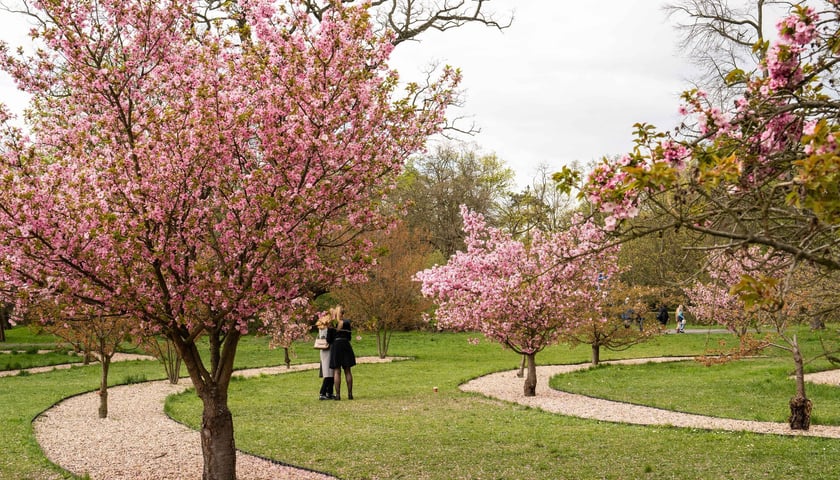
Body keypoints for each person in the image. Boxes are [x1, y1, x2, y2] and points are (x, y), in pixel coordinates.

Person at [330, 308, 357, 401]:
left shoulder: (332, 324)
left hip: (336, 346)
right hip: (345, 345)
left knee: (337, 371)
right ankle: (350, 394)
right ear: (342, 314)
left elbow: (329, 339)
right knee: (348, 371)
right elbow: (349, 336)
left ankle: (337, 395)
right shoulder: (347, 323)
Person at [316, 313, 336, 400]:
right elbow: (328, 339)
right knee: (328, 373)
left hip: (325, 352)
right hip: (327, 351)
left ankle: (329, 392)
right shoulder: (326, 329)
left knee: (330, 373)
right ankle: (323, 392)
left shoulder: (321, 329)